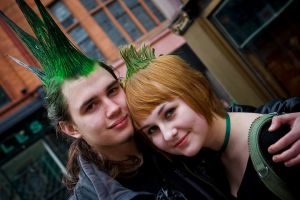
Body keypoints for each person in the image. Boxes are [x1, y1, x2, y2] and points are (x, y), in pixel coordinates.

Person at [1, 1, 300, 199]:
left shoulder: (168, 140)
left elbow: (228, 123)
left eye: (112, 90)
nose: (113, 108)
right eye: (90, 106)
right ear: (70, 128)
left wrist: (292, 113)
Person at [122, 44, 300, 199]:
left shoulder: (280, 140)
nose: (168, 134)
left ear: (197, 90)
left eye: (169, 113)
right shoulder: (207, 161)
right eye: (152, 130)